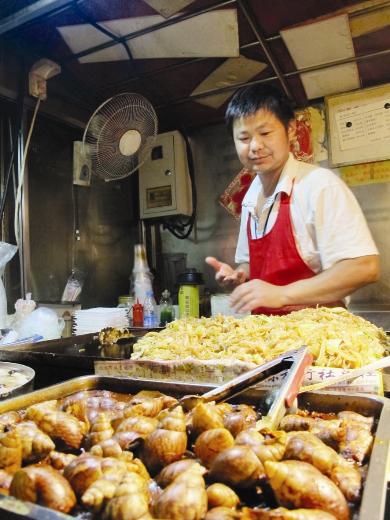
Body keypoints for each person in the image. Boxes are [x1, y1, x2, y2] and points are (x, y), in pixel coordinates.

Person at [206, 84, 379, 315]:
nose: (255, 146)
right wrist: (240, 276)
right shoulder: (250, 199)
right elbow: (253, 266)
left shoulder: (319, 186)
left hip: (320, 337)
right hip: (267, 340)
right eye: (244, 138)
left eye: (265, 133)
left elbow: (364, 266)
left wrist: (282, 294)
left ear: (290, 130)